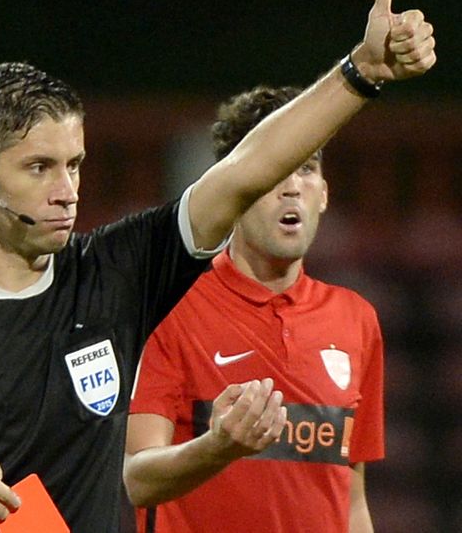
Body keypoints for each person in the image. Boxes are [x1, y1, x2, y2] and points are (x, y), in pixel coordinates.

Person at [0, 0, 433, 532]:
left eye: (75, 164)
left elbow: (243, 174)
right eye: (39, 167)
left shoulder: (117, 275)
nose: (67, 191)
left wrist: (360, 75)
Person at [123, 85, 383, 532]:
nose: (292, 189)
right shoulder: (171, 306)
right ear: (236, 188)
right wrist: (218, 446)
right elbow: (135, 479)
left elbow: (351, 498)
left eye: (306, 168)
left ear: (323, 192)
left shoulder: (356, 319)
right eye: (277, 168)